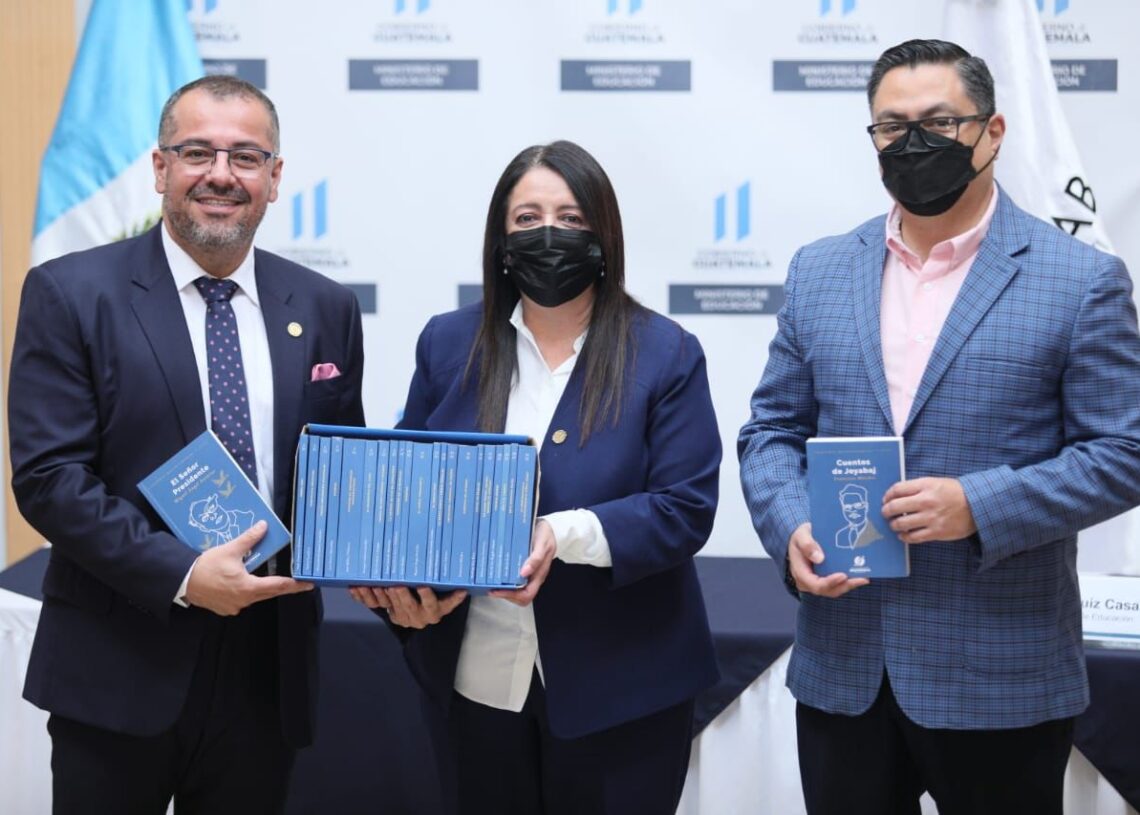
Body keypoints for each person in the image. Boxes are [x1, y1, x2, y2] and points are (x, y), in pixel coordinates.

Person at [738, 39, 1140, 815]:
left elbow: (1124, 452)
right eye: (892, 127)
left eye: (939, 122)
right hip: (844, 668)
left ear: (992, 132)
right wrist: (791, 527)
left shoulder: (1079, 278)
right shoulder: (820, 270)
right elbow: (770, 434)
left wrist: (979, 505)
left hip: (1002, 674)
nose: (913, 142)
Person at [8, 75, 365, 815]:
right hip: (119, 664)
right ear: (161, 167)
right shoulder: (71, 292)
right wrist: (183, 572)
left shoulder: (325, 305)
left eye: (245, 156)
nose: (221, 174)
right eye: (198, 152)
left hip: (267, 673)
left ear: (274, 178)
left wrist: (392, 565)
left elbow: (340, 474)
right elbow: (50, 478)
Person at [351, 140, 721, 815]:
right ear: (500, 240)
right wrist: (398, 585)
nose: (548, 235)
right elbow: (408, 490)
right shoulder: (447, 342)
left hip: (625, 692)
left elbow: (684, 508)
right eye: (527, 219)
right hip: (475, 684)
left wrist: (560, 532)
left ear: (603, 237)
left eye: (571, 219)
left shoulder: (665, 352)